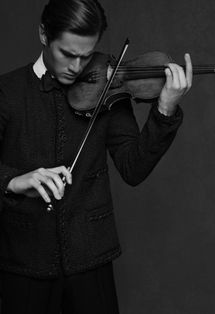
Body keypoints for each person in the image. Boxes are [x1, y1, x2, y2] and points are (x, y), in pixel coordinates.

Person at [0, 0, 192, 313]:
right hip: (23, 261)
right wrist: (13, 181)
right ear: (44, 35)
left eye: (86, 55)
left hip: (92, 259)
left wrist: (165, 109)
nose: (76, 66)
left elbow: (133, 168)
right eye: (68, 54)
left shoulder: (108, 86)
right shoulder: (7, 92)